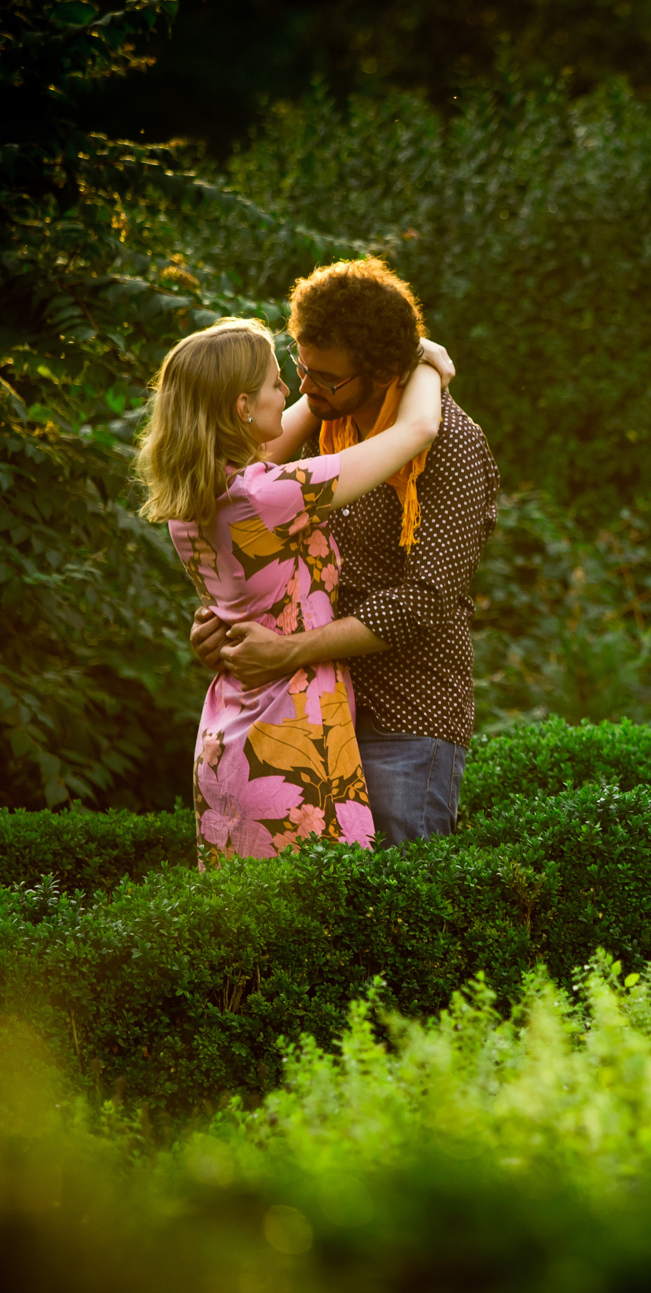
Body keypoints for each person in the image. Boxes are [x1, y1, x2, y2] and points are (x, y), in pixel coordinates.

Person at [189, 259, 498, 847]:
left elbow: (421, 603)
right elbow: (248, 534)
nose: (304, 389)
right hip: (311, 712)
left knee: (393, 913)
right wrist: (226, 621)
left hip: (404, 717)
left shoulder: (453, 445)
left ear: (382, 372)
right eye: (301, 368)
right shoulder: (331, 427)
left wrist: (284, 651)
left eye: (324, 379)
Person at [137, 316, 443, 864]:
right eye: (278, 381)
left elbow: (287, 427)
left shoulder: (198, 499)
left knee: (254, 928)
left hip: (228, 733)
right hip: (292, 731)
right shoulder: (270, 495)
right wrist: (420, 358)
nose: (292, 392)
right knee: (323, 922)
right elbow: (417, 430)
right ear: (241, 406)